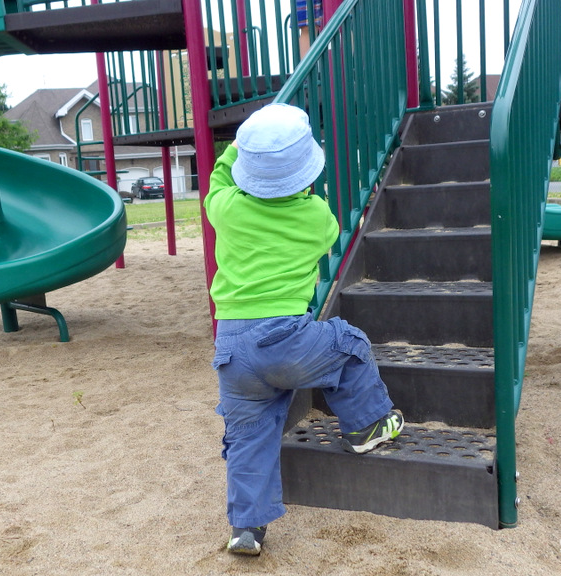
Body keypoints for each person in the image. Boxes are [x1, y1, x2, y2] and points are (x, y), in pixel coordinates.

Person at [205, 103, 404, 556]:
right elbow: (325, 224)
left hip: (231, 350)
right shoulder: (318, 219)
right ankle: (367, 425)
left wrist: (238, 147)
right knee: (349, 344)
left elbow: (218, 180)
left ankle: (246, 528)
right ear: (307, 174)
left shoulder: (227, 209)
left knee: (248, 436)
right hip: (287, 341)